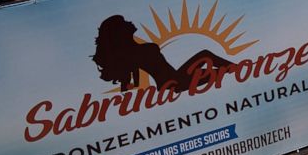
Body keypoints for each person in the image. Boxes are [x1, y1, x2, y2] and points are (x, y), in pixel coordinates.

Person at [91, 15, 233, 94]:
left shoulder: (136, 50)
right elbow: (130, 85)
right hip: (174, 84)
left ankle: (242, 69)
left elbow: (131, 83)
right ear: (120, 31)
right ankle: (243, 69)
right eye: (124, 22)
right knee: (210, 61)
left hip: (177, 77)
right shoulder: (132, 54)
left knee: (207, 59)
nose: (129, 21)